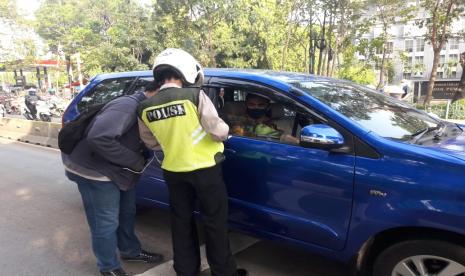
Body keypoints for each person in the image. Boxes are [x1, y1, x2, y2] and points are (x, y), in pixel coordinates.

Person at [138, 48, 247, 276]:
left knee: (181, 223)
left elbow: (151, 142)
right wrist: (228, 131)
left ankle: (186, 270)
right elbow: (218, 131)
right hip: (205, 170)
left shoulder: (144, 107)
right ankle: (224, 272)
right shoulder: (194, 95)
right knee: (214, 223)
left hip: (174, 172)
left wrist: (174, 143)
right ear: (185, 70)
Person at [61, 84, 163, 276]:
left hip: (121, 170)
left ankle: (130, 251)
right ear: (157, 90)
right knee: (105, 222)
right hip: (94, 170)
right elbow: (99, 137)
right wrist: (135, 161)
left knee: (127, 212)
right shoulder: (127, 106)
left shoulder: (149, 108)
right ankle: (108, 267)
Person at [230, 93, 299, 144]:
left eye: (261, 105)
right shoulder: (238, 121)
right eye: (251, 104)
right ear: (246, 105)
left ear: (268, 107)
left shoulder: (278, 124)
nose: (255, 107)